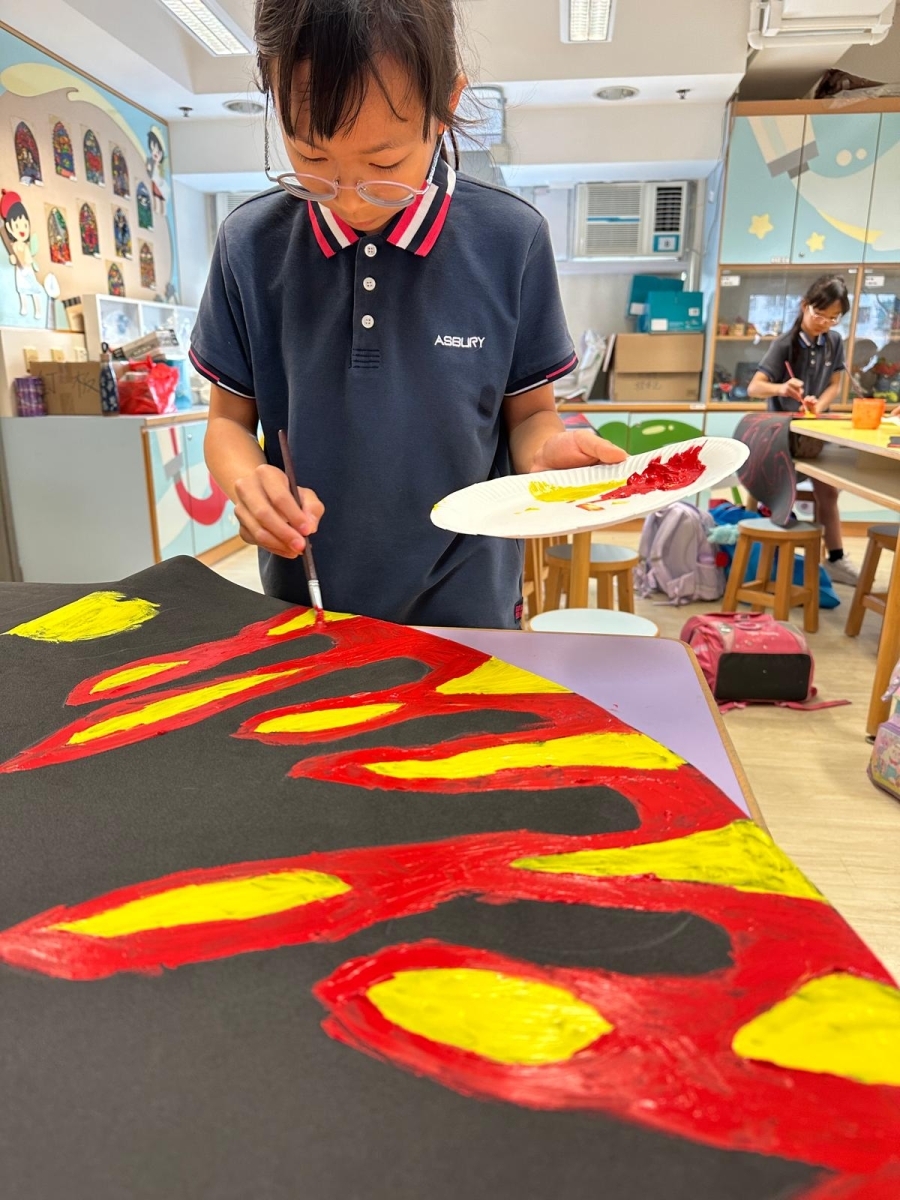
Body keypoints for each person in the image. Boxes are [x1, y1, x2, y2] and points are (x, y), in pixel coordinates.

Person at [193, 0, 625, 628]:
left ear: (446, 103)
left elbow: (531, 414)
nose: (348, 199)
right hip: (307, 604)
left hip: (467, 606)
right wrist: (248, 482)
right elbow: (227, 423)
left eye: (384, 165)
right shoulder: (250, 244)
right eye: (311, 158)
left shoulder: (510, 239)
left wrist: (548, 454)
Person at [747, 274, 858, 586]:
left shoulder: (834, 342)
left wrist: (818, 406)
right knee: (782, 493)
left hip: (814, 434)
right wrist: (782, 388)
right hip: (782, 436)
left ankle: (835, 558)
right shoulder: (785, 344)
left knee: (828, 491)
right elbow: (755, 387)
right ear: (805, 305)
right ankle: (772, 561)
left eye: (834, 318)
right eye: (819, 314)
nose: (825, 323)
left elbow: (835, 384)